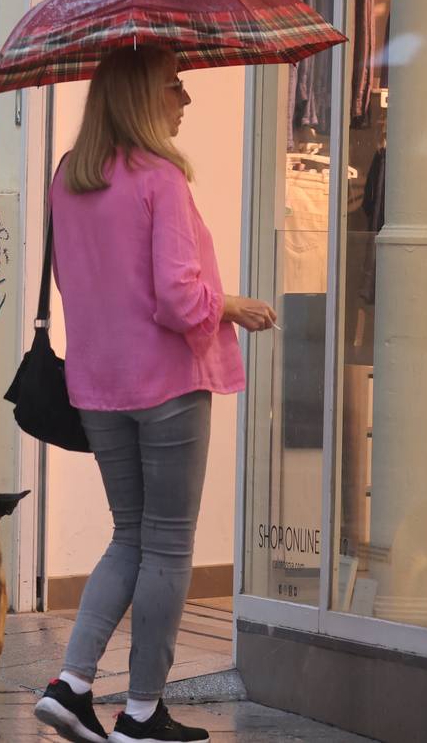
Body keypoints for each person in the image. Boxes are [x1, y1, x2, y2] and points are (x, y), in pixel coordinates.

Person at [32, 45, 276, 743]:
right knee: (168, 548)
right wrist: (233, 305)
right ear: (142, 95)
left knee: (129, 535)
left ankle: (72, 683)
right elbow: (177, 297)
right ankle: (140, 711)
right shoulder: (160, 178)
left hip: (98, 385)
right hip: (167, 382)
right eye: (174, 86)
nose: (185, 99)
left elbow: (75, 283)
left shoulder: (66, 177)